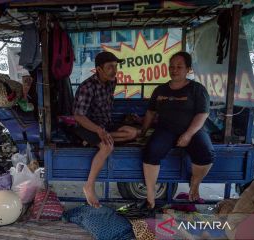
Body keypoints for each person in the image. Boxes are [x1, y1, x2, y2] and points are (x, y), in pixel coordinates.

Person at [137, 51, 215, 209]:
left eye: (179, 66)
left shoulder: (197, 89)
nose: (174, 70)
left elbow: (203, 113)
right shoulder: (160, 90)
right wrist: (143, 131)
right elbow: (151, 112)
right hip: (166, 129)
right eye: (172, 66)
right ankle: (150, 198)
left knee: (207, 153)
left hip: (192, 129)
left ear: (188, 69)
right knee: (151, 151)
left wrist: (188, 134)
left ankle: (195, 184)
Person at [73, 52, 138, 208]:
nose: (114, 70)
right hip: (86, 125)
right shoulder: (87, 87)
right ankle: (89, 186)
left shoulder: (111, 81)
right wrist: (98, 131)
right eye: (110, 67)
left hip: (105, 124)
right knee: (107, 146)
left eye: (116, 66)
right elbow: (78, 116)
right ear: (98, 69)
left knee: (133, 132)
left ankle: (92, 141)